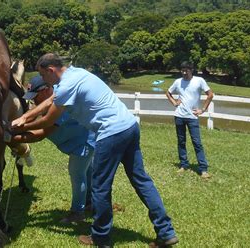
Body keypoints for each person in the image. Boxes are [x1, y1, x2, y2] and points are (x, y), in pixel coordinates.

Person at [12, 53, 178, 247]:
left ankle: (100, 237)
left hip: (111, 133)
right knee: (141, 180)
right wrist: (25, 117)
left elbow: (48, 119)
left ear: (50, 70)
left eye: (43, 75)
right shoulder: (76, 73)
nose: (45, 80)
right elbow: (50, 101)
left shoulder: (67, 85)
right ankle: (166, 232)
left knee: (100, 187)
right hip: (129, 126)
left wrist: (19, 127)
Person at [12, 75, 95, 224]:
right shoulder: (51, 96)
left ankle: (78, 212)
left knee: (77, 174)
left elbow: (41, 134)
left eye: (35, 97)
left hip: (84, 141)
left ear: (46, 90)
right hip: (78, 139)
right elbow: (35, 112)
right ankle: (91, 203)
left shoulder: (61, 104)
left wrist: (12, 138)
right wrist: (19, 123)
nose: (33, 101)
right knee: (87, 173)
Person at [166, 61, 213, 179]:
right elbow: (168, 92)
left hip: (192, 117)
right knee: (181, 141)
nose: (184, 72)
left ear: (192, 70)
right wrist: (174, 103)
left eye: (186, 70)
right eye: (182, 70)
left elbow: (210, 95)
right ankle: (183, 165)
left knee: (197, 143)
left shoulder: (199, 81)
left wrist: (202, 110)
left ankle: (203, 169)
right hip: (179, 116)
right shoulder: (178, 82)